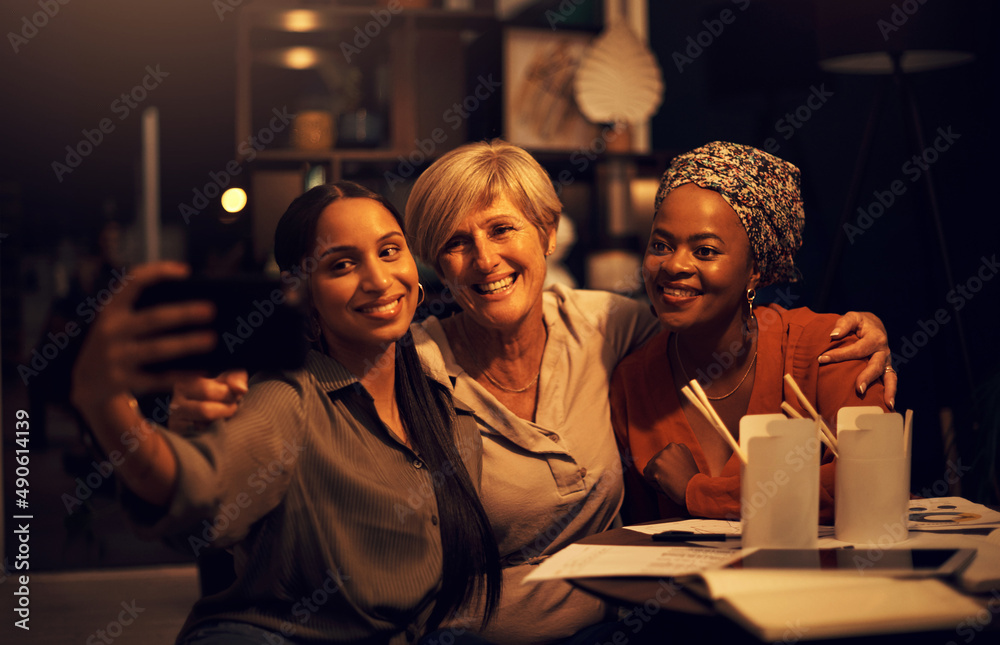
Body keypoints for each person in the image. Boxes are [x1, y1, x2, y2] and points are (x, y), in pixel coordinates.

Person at [175, 140, 896, 644]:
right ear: (436, 267)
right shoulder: (414, 364)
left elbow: (711, 310)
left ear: (546, 231)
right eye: (455, 242)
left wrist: (862, 327)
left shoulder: (610, 325)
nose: (483, 259)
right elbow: (312, 393)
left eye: (501, 229)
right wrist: (213, 409)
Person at [69, 181, 501, 644]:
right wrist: (104, 401)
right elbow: (195, 488)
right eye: (342, 264)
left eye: (390, 250)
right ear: (303, 291)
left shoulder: (438, 400)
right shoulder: (289, 397)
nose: (377, 279)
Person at [610, 141, 892, 525]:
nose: (674, 264)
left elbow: (872, 482)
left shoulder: (830, 348)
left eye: (705, 251)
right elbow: (637, 541)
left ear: (755, 269)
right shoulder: (634, 382)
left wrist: (697, 492)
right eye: (661, 244)